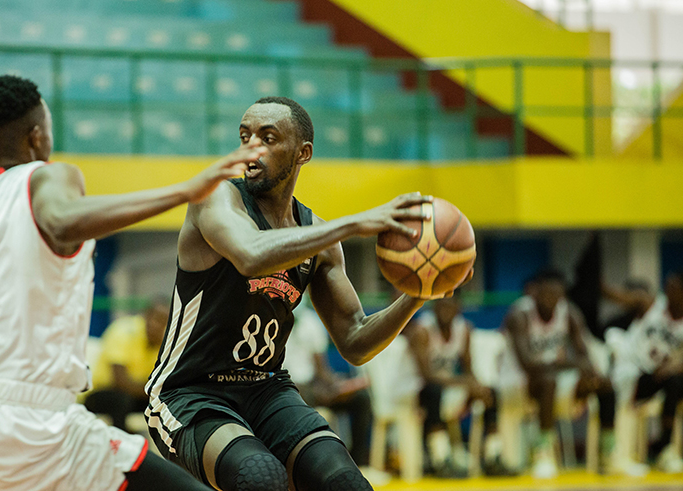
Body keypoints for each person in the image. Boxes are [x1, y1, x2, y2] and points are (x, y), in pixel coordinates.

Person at [0, 74, 267, 490]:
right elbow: (61, 223)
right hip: (30, 425)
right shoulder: (46, 177)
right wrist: (186, 190)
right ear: (37, 136)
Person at [145, 96, 465, 491]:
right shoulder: (217, 199)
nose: (251, 148)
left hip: (266, 387)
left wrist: (419, 293)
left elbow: (355, 341)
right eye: (245, 136)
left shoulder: (320, 238)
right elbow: (249, 254)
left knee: (345, 482)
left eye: (267, 137)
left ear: (303, 153)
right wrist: (354, 223)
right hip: (191, 391)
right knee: (260, 478)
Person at [502, 269, 617, 478]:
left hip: (553, 378)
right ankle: (543, 453)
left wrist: (590, 373)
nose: (550, 300)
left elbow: (583, 352)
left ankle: (608, 452)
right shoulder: (520, 315)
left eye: (556, 295)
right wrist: (569, 364)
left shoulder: (569, 313)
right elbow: (527, 364)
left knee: (605, 383)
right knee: (548, 381)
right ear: (534, 294)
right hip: (517, 381)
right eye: (545, 295)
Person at [406, 294, 512, 477]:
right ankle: (440, 459)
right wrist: (464, 382)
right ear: (434, 308)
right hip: (413, 389)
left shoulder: (464, 329)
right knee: (434, 391)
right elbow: (426, 376)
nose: (445, 311)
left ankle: (492, 457)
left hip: (446, 387)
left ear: (458, 309)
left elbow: (467, 369)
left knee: (490, 393)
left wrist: (476, 385)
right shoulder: (422, 330)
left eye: (450, 307)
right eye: (441, 306)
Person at [606, 272, 683, 473]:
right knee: (671, 381)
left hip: (661, 380)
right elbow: (619, 297)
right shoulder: (651, 304)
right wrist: (598, 284)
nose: (667, 291)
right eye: (667, 286)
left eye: (673, 288)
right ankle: (624, 455)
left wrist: (672, 367)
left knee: (674, 381)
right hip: (634, 372)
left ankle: (664, 447)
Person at [286, 301, 373, 468]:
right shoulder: (271, 321)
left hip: (312, 386)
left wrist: (337, 385)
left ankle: (356, 462)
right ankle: (311, 463)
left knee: (362, 399)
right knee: (298, 394)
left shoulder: (311, 322)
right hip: (286, 387)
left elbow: (321, 369)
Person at [85, 298, 170, 431]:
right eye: (157, 320)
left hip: (138, 394)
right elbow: (121, 382)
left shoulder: (166, 343)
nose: (160, 327)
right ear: (145, 316)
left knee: (169, 403)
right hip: (101, 393)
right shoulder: (123, 331)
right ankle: (121, 447)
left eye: (166, 323)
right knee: (121, 401)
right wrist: (157, 391)